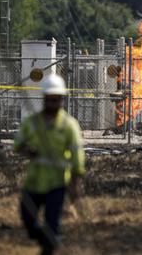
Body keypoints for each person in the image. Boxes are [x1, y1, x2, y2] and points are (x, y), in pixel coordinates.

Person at [14, 73, 85, 255]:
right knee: (27, 219)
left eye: (57, 100)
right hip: (34, 182)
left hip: (57, 183)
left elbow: (77, 156)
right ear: (44, 99)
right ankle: (49, 239)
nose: (54, 104)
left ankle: (50, 244)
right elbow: (18, 145)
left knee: (52, 223)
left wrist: (75, 184)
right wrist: (28, 151)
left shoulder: (69, 125)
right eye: (50, 100)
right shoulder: (32, 123)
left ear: (62, 100)